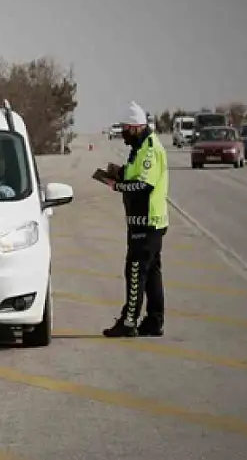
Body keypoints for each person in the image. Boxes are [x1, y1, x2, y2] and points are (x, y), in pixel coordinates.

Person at [100, 101, 169, 338]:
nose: (123, 135)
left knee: (136, 271)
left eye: (125, 130)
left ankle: (129, 321)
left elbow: (144, 184)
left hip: (147, 222)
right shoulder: (139, 148)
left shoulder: (150, 148)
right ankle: (154, 321)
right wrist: (120, 173)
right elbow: (135, 174)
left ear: (136, 127)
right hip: (143, 222)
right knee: (151, 274)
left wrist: (117, 185)